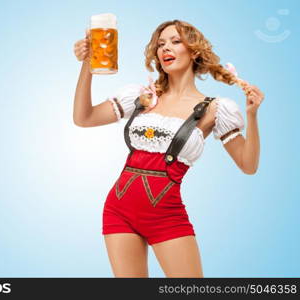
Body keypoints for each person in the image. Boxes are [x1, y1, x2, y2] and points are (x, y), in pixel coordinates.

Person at [72, 19, 264, 278]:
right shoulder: (143, 96)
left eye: (175, 42)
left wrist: (252, 116)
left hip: (166, 215)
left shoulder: (214, 109)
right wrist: (88, 66)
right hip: (118, 209)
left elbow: (248, 165)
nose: (165, 48)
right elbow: (83, 118)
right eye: (161, 44)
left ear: (194, 51)